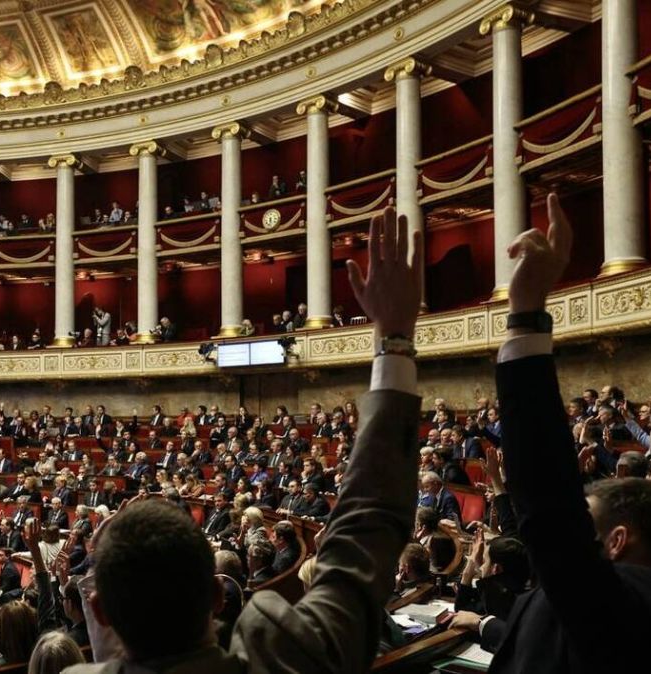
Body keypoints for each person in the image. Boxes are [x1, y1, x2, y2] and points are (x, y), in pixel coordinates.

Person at [66, 205, 424, 674]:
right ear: (217, 596)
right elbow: (367, 524)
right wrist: (394, 336)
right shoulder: (292, 664)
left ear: (99, 613)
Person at [446, 193, 651, 672]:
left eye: (583, 522)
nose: (570, 533)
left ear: (614, 542)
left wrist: (526, 315)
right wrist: (485, 625)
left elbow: (548, 508)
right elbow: (550, 638)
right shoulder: (637, 614)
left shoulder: (634, 614)